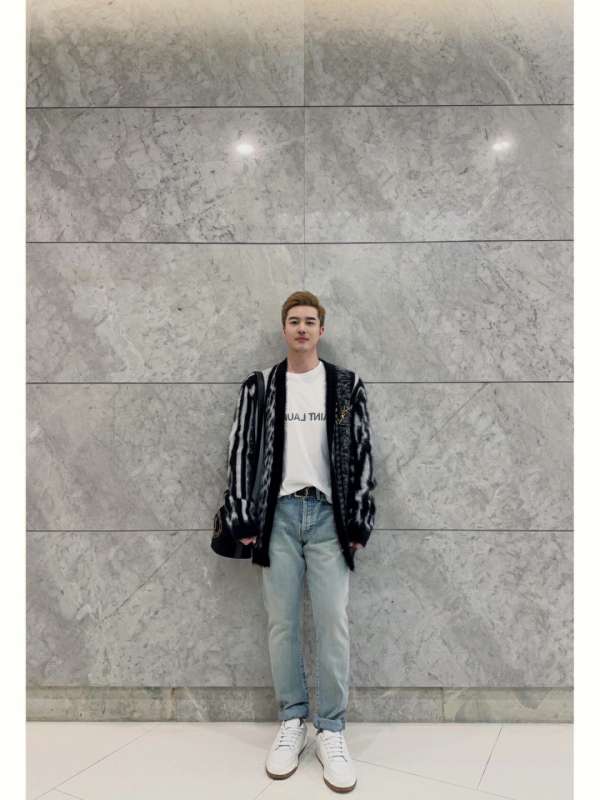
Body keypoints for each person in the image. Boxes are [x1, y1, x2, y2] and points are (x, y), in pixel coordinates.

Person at [222, 290, 377, 793]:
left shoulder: (344, 386)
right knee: (282, 624)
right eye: (295, 321)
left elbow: (361, 451)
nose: (303, 328)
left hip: (330, 518)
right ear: (284, 328)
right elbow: (242, 451)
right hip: (280, 518)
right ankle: (292, 721)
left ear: (322, 330)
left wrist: (358, 521)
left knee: (333, 624)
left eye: (311, 321)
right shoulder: (262, 386)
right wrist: (245, 515)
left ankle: (330, 730)